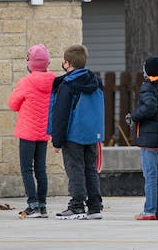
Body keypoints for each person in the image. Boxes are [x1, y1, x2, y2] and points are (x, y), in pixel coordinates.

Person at [48, 43, 105, 220]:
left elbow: (61, 114)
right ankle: (95, 206)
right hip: (92, 133)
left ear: (67, 63)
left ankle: (77, 205)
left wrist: (57, 140)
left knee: (75, 169)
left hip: (73, 134)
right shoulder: (95, 81)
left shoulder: (67, 84)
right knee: (90, 169)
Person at [8, 44, 54, 218]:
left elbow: (12, 104)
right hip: (44, 131)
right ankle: (42, 206)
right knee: (41, 169)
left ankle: (32, 204)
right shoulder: (53, 81)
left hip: (27, 131)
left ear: (31, 63)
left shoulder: (26, 81)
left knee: (27, 169)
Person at [127, 55, 158, 220]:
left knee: (150, 174)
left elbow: (150, 107)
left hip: (149, 138)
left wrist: (134, 116)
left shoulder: (148, 87)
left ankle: (150, 210)